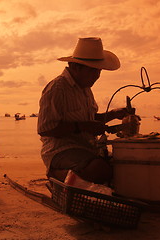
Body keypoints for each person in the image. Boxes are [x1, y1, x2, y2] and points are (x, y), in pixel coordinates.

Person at [37, 37, 132, 184]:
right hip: (60, 151)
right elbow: (45, 129)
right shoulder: (57, 89)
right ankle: (56, 174)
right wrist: (82, 127)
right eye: (93, 71)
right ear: (76, 67)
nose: (97, 76)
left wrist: (113, 114)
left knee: (122, 164)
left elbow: (90, 118)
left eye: (99, 71)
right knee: (100, 169)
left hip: (86, 148)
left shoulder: (85, 88)